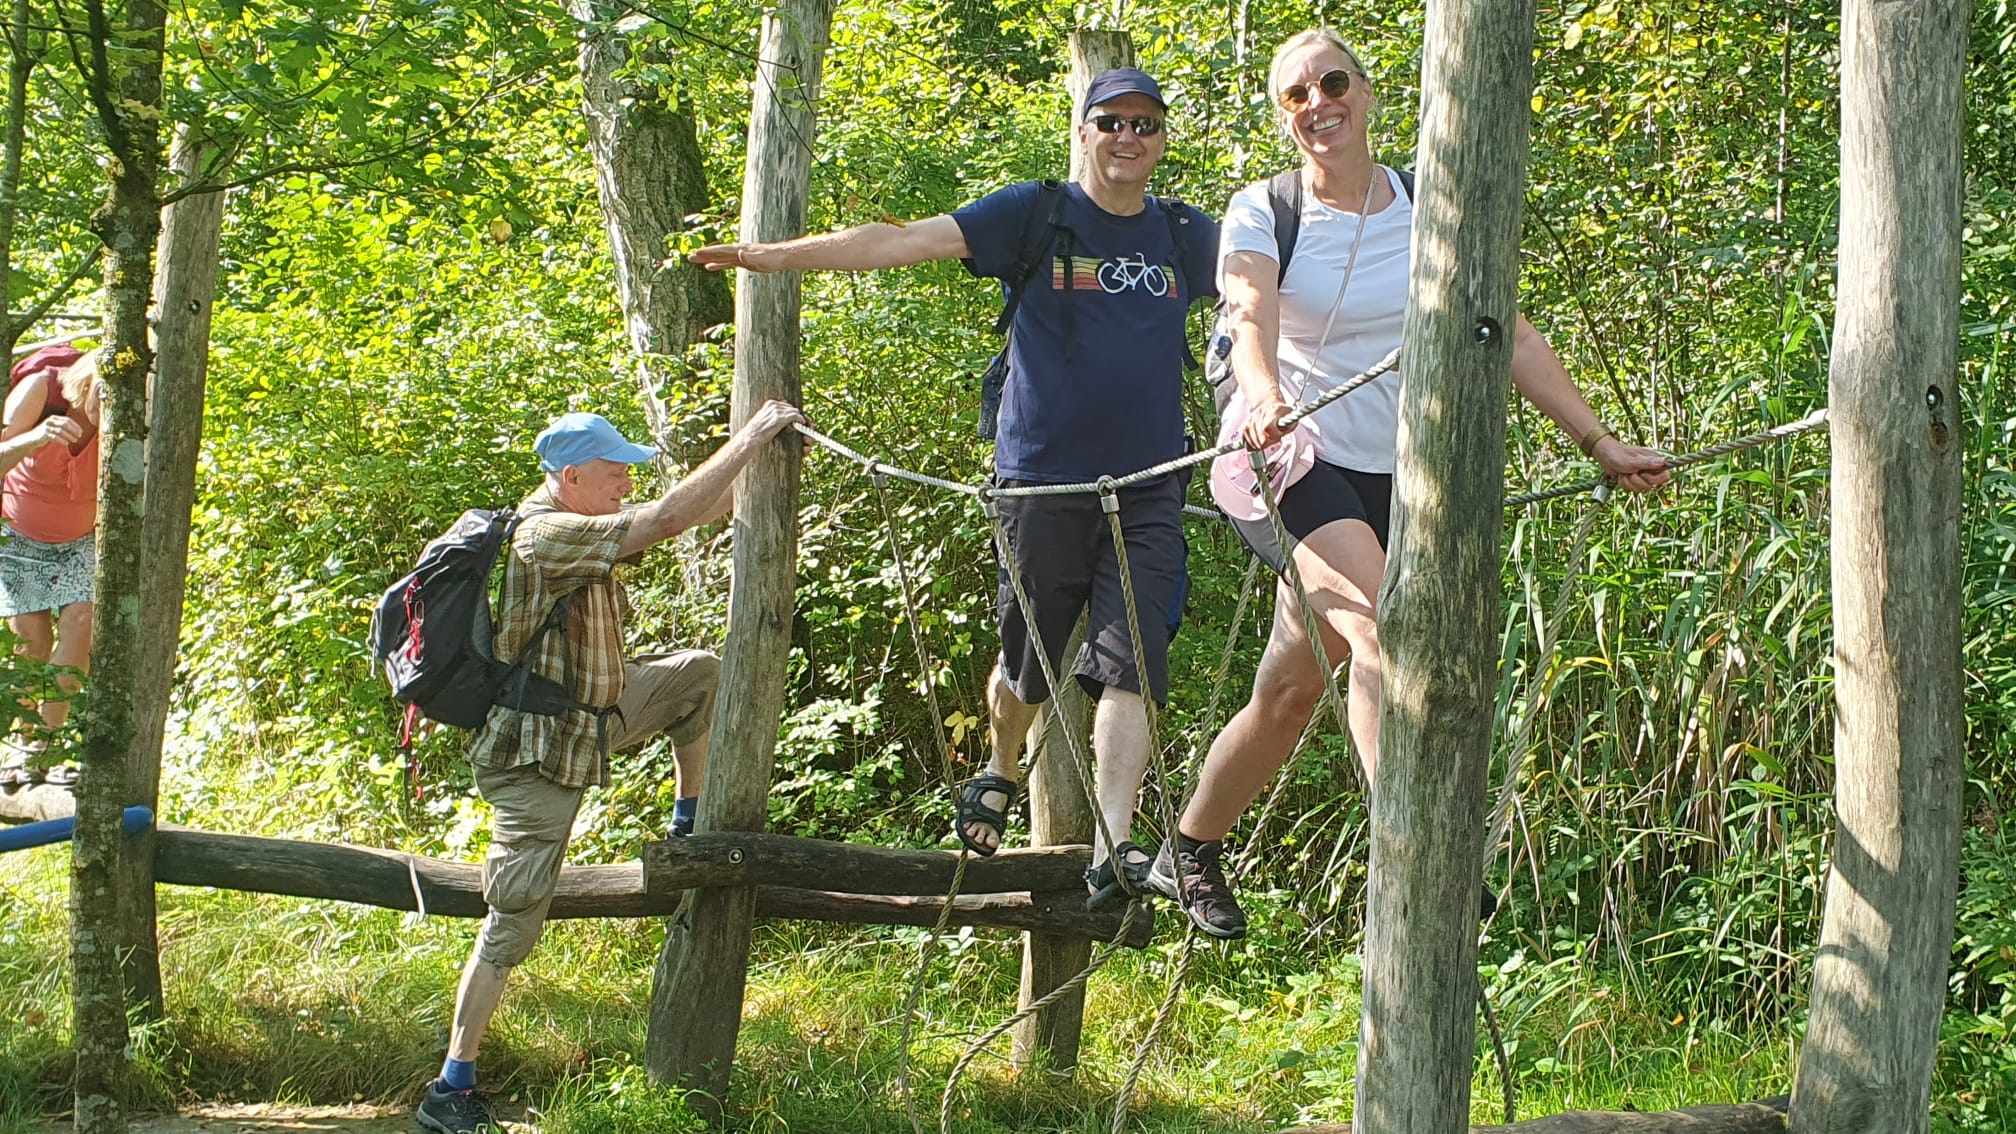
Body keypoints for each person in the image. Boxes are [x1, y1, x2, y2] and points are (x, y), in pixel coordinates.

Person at [1145, 29, 1672, 940]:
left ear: (1367, 91)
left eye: (1331, 82)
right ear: (1282, 117)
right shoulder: (1264, 210)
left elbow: (1508, 333)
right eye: (1295, 95)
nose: (1317, 104)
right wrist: (1265, 398)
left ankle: (1186, 846)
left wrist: (1599, 442)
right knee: (1382, 628)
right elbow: (1248, 313)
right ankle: (1424, 856)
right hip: (1289, 458)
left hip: (1397, 470)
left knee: (1292, 691)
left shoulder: (1432, 201)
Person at [690, 67, 1220, 898]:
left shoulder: (1186, 234)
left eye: (1145, 124)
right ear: (1084, 130)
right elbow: (895, 242)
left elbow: (1276, 294)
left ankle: (1112, 847)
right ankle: (1002, 765)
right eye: (1112, 121)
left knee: (1136, 663)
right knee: (1028, 666)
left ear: (1161, 140)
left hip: (1150, 483)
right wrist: (768, 257)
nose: (1128, 136)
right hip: (1040, 482)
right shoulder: (1034, 214)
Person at [417, 401, 806, 1134]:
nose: (626, 481)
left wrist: (764, 459)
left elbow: (693, 512)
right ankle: (451, 1087)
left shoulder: (579, 523)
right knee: (512, 922)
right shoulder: (545, 536)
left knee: (697, 674)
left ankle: (688, 822)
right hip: (536, 755)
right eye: (614, 471)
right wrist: (747, 436)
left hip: (590, 721)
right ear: (570, 478)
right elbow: (667, 518)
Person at [1, 346, 101, 742]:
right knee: (32, 641)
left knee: (82, 625)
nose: (110, 404)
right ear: (88, 383)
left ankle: (48, 741)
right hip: (19, 534)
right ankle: (23, 742)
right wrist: (37, 437)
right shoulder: (42, 389)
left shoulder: (132, 417)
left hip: (81, 540)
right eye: (104, 394)